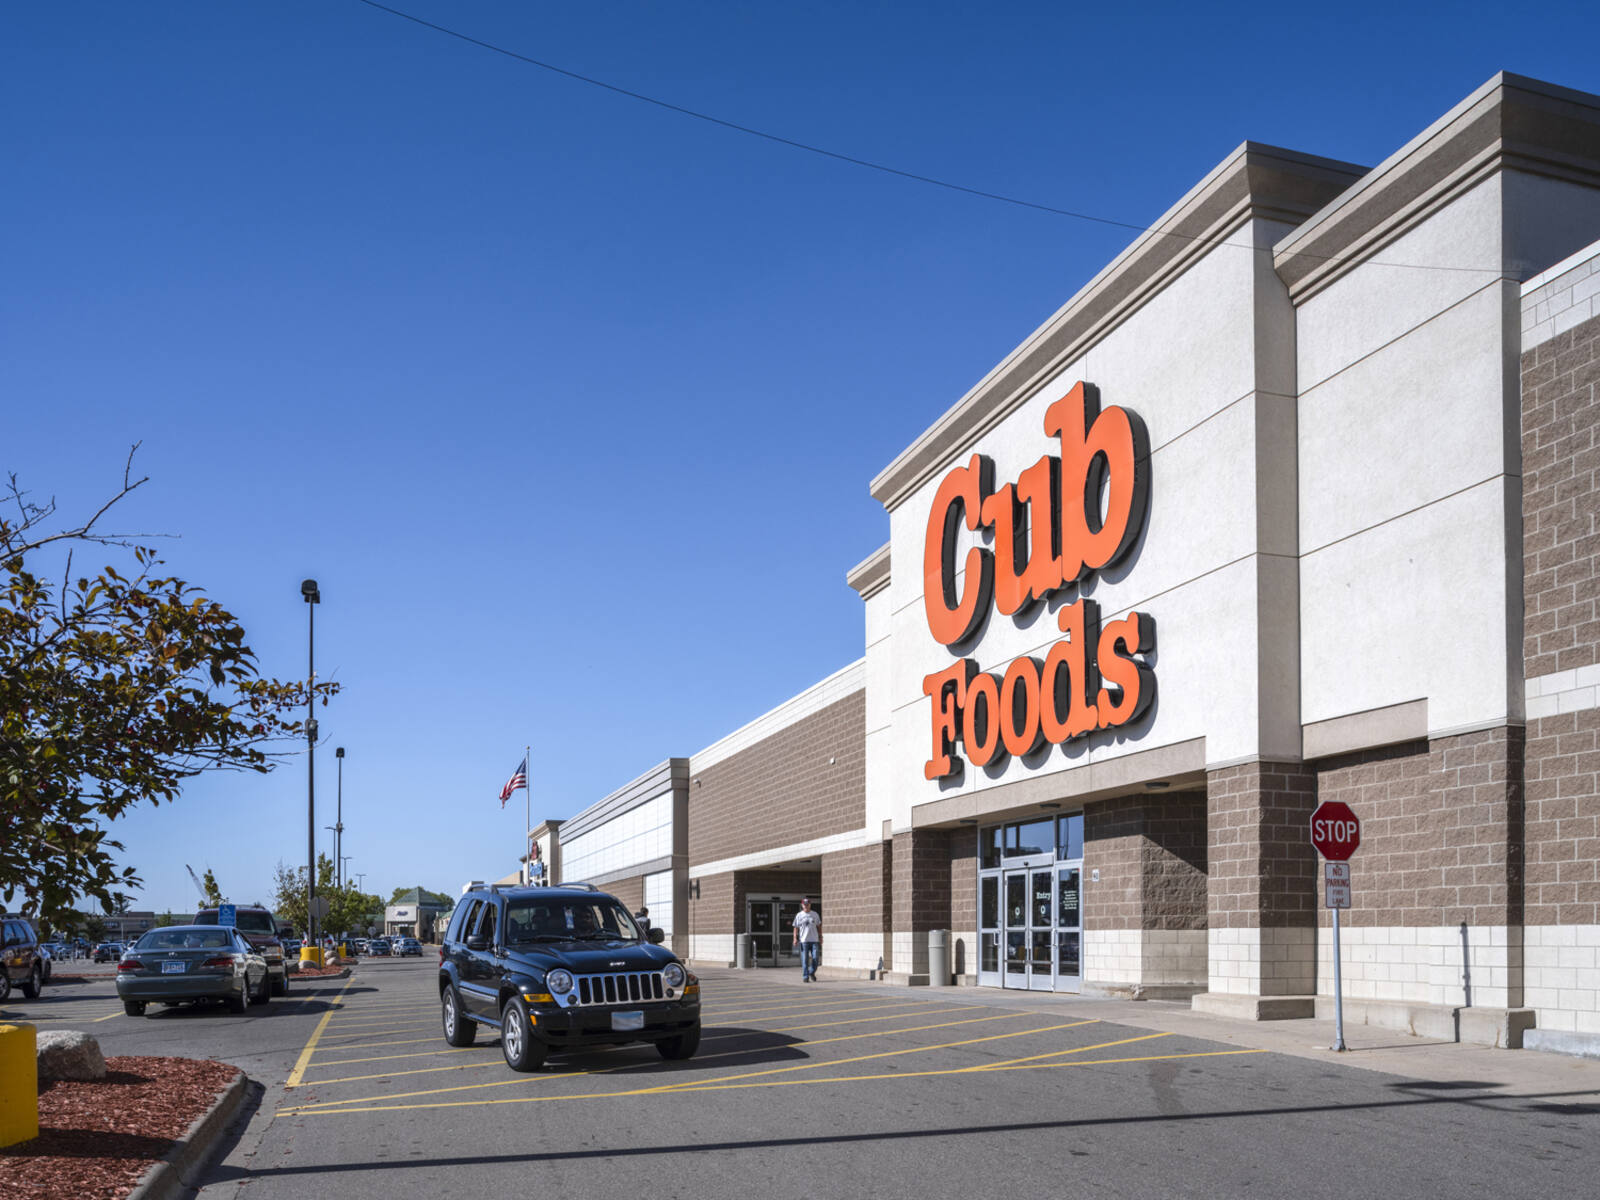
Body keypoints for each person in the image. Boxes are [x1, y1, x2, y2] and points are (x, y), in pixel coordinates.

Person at [792, 897, 821, 982]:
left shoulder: (815, 914)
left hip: (814, 940)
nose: (806, 906)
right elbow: (795, 927)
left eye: (807, 904)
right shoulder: (799, 915)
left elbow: (819, 926)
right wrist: (795, 938)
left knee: (815, 958)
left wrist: (821, 937)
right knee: (805, 960)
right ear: (802, 905)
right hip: (804, 941)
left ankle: (811, 972)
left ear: (810, 905)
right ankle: (805, 976)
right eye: (804, 905)